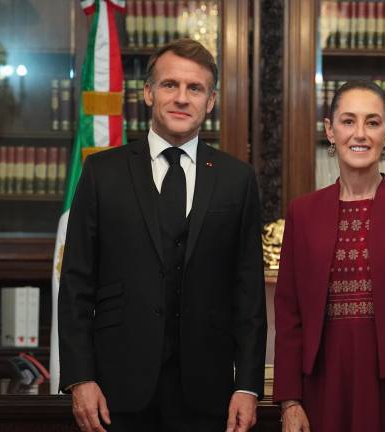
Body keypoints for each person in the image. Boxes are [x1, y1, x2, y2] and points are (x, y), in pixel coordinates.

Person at [59, 38, 266, 432]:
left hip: (208, 393)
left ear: (211, 100)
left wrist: (249, 387)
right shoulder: (102, 173)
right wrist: (79, 377)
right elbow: (76, 283)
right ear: (149, 92)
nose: (182, 98)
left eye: (195, 88)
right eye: (170, 85)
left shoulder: (237, 179)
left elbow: (249, 291)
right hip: (115, 390)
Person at [273, 80, 385, 432]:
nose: (360, 134)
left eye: (373, 122)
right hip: (321, 384)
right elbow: (289, 315)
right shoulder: (303, 213)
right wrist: (289, 401)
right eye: (348, 121)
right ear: (330, 131)